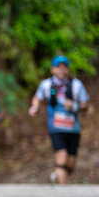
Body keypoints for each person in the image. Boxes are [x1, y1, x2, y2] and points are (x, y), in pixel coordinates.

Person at [29, 55, 90, 184]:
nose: (61, 70)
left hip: (73, 129)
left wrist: (74, 106)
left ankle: (59, 175)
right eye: (58, 67)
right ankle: (64, 191)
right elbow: (37, 98)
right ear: (53, 69)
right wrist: (35, 107)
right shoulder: (46, 85)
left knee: (71, 163)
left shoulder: (76, 85)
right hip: (55, 128)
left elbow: (85, 105)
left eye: (64, 67)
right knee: (61, 158)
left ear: (68, 69)